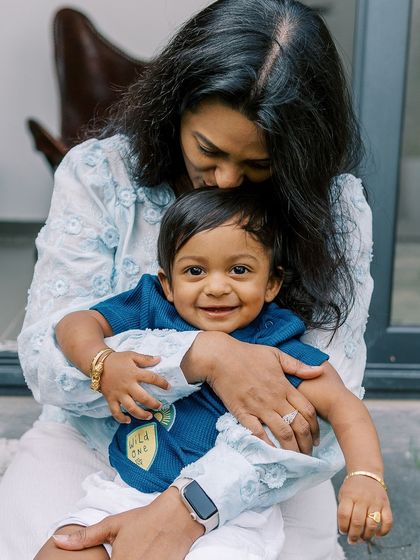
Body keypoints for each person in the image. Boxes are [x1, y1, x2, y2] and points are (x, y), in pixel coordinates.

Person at [0, 1, 375, 559]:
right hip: (100, 445)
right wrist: (202, 356)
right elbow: (47, 358)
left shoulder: (334, 207)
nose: (225, 181)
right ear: (175, 110)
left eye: (258, 165)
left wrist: (192, 506)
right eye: (209, 150)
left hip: (261, 471)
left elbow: (325, 405)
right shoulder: (101, 174)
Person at [34, 187, 392, 560]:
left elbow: (345, 407)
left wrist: (365, 476)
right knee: (65, 551)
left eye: (239, 270)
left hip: (231, 519)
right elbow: (75, 323)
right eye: (195, 271)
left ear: (271, 283)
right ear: (168, 284)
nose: (217, 287)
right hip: (124, 489)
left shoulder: (278, 345)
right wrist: (103, 362)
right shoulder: (154, 309)